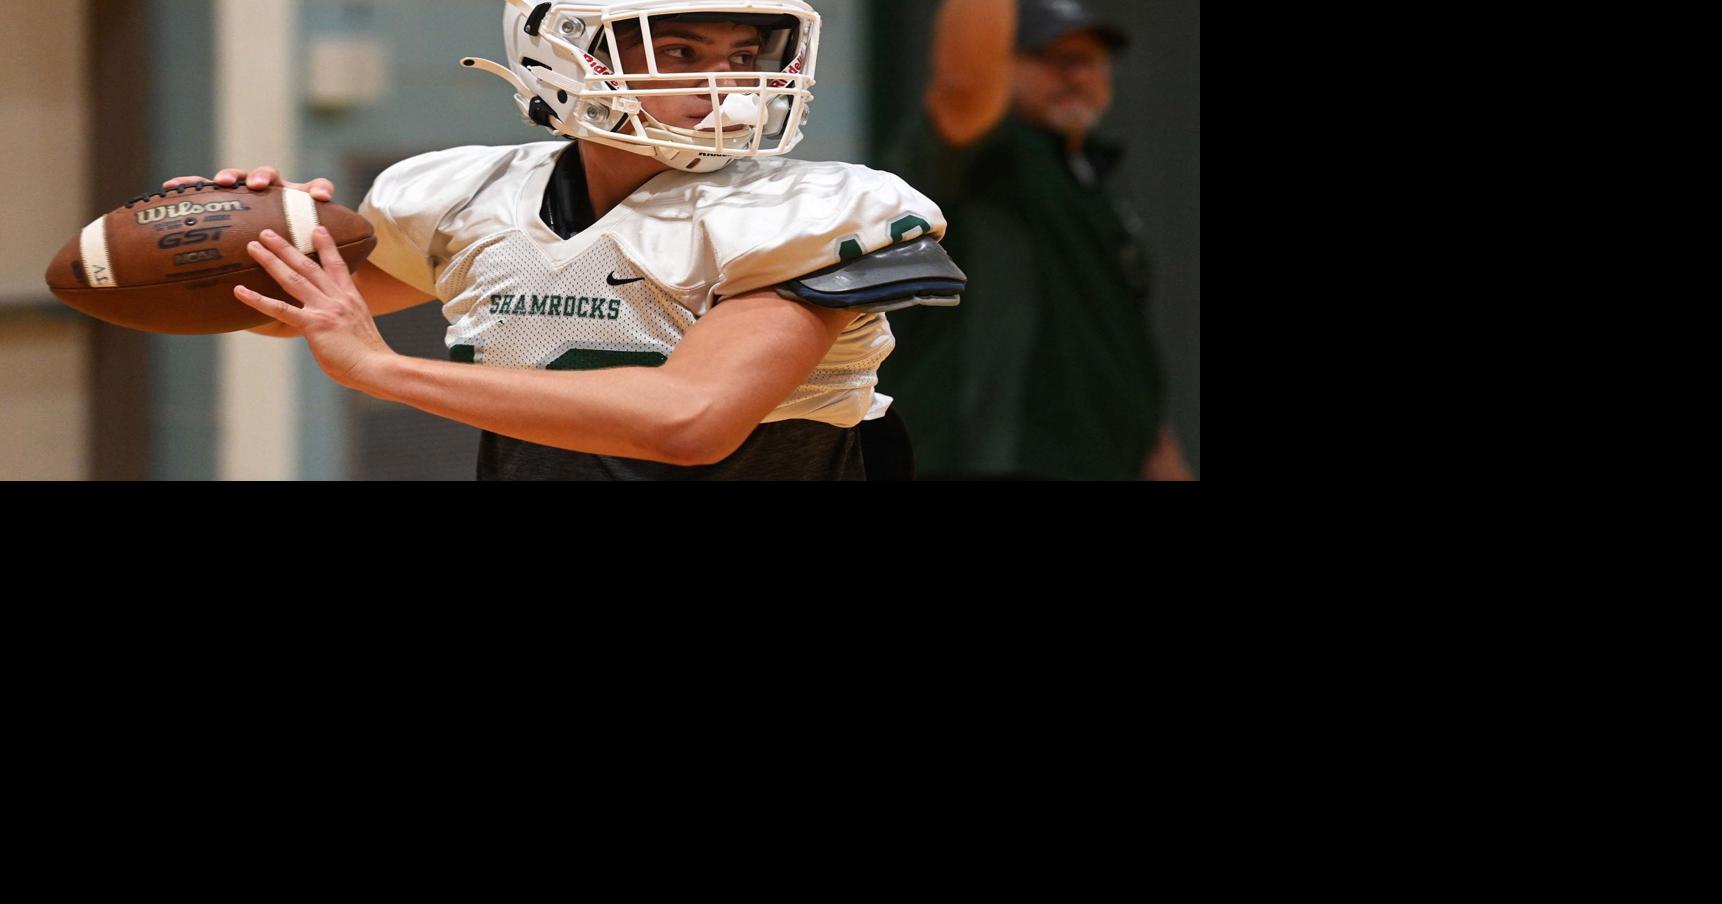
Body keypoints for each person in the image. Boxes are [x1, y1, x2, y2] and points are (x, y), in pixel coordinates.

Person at [164, 0, 964, 480]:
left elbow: (690, 419)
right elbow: (286, 311)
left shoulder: (808, 210)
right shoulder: (472, 197)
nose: (729, 86)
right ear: (563, 56)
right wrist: (238, 242)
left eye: (745, 56)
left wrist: (382, 370)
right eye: (683, 54)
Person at [877, 0, 1193, 480]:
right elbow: (965, 85)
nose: (1077, 75)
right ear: (1002, 65)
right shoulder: (986, 160)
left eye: (1089, 60)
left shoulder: (1092, 178)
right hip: (986, 459)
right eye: (1051, 58)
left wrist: (1159, 451)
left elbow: (1118, 344)